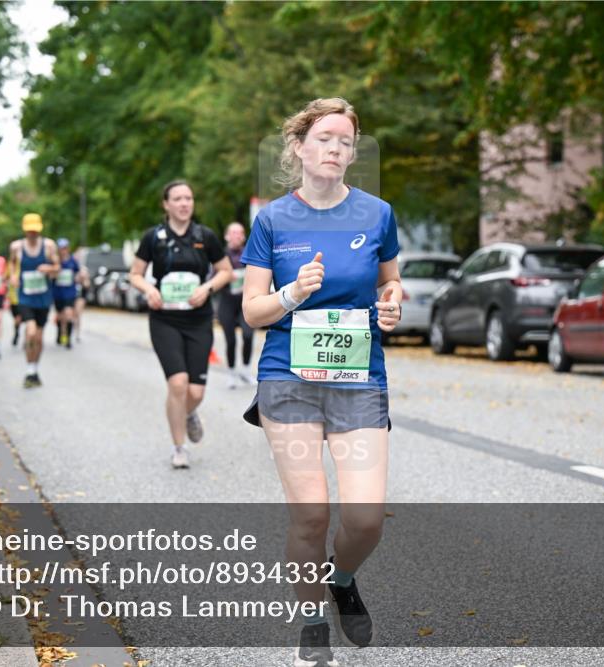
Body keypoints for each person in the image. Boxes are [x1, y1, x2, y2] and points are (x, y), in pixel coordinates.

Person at [240, 98, 403, 667]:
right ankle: (312, 623)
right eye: (325, 138)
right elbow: (252, 310)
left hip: (359, 379)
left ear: (353, 154)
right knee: (311, 515)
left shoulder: (377, 214)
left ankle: (343, 578)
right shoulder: (273, 220)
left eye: (346, 141)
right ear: (299, 147)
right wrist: (291, 294)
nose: (336, 148)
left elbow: (391, 282)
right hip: (288, 379)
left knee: (366, 519)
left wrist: (391, 304)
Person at [129, 180, 234, 469]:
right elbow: (134, 274)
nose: (184, 203)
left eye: (188, 198)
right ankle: (179, 448)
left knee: (195, 392)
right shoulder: (153, 237)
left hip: (198, 320)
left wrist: (207, 288)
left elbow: (226, 271)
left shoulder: (204, 236)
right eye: (177, 199)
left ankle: (187, 414)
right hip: (165, 320)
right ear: (166, 204)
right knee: (178, 383)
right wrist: (148, 290)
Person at [8, 213, 60, 388]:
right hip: (25, 297)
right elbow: (12, 264)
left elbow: (58, 267)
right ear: (25, 230)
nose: (32, 233)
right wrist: (13, 276)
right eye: (30, 230)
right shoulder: (16, 247)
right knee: (30, 332)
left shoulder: (49, 246)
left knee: (38, 337)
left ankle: (34, 370)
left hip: (43, 298)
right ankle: (29, 369)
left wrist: (49, 268)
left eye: (35, 230)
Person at [218, 221, 257, 389]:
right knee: (231, 340)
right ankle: (231, 374)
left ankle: (246, 371)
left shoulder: (251, 253)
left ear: (243, 237)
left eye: (240, 233)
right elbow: (211, 278)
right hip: (227, 302)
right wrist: (226, 277)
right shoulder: (220, 255)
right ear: (227, 236)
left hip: (245, 302)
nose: (237, 236)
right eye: (233, 232)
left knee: (248, 335)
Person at [52, 238, 81, 349]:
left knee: (69, 314)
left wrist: (79, 277)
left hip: (70, 293)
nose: (63, 250)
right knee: (60, 316)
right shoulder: (55, 261)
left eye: (65, 248)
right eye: (61, 248)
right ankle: (60, 332)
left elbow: (78, 273)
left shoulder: (73, 261)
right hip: (58, 293)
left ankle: (68, 338)